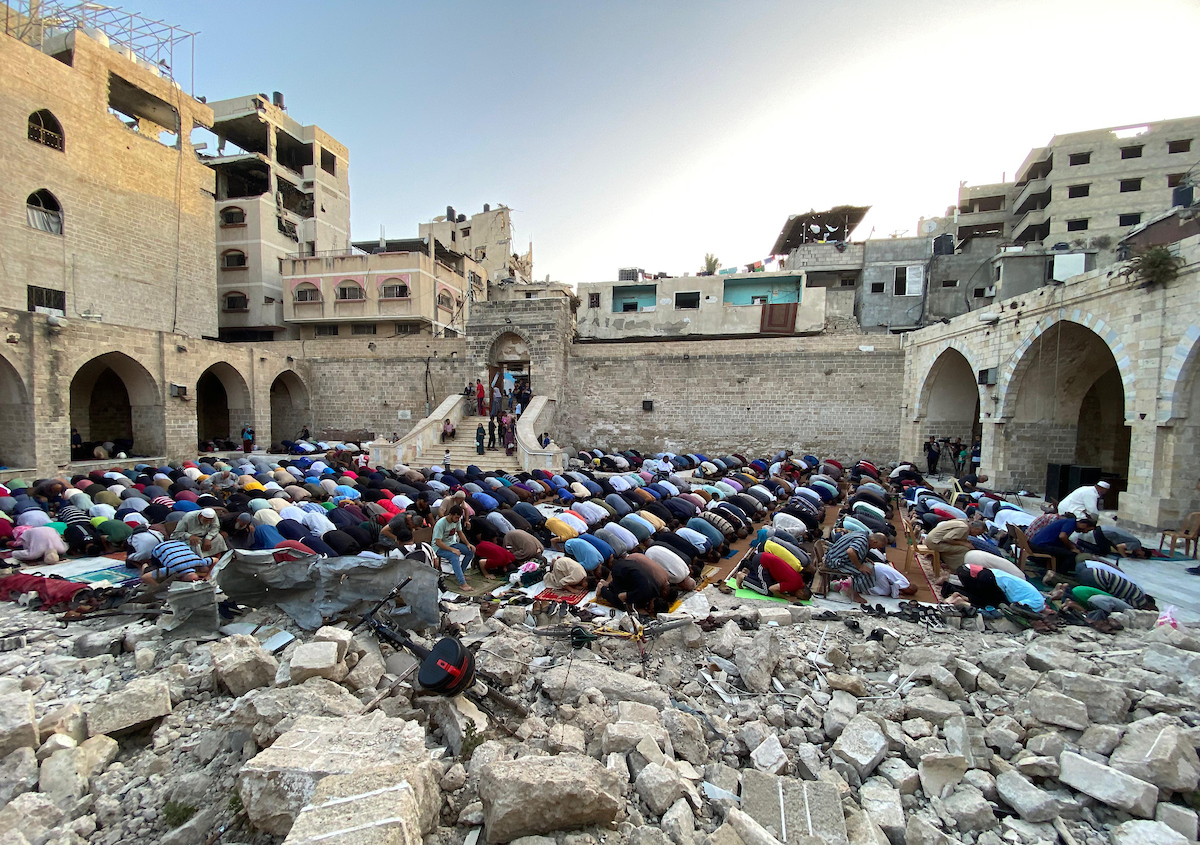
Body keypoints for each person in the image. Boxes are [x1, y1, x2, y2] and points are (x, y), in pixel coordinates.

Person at [824, 531, 889, 603]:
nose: (875, 548)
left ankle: (851, 588)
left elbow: (854, 551)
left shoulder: (862, 534)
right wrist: (859, 566)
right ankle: (853, 592)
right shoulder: (862, 540)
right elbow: (850, 552)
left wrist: (864, 558)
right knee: (867, 572)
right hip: (834, 561)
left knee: (867, 565)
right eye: (877, 546)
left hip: (833, 556)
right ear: (874, 542)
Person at [1030, 513, 1097, 571]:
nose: (1085, 532)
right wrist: (1072, 548)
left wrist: (1073, 546)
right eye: (1088, 530)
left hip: (1035, 544)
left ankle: (1055, 568)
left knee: (1067, 550)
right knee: (1072, 555)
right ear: (1084, 525)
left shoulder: (1068, 522)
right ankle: (1060, 573)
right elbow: (1062, 536)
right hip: (1040, 546)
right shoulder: (1071, 523)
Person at [432, 505, 475, 592]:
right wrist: (452, 550)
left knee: (470, 551)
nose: (457, 519)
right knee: (454, 556)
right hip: (439, 547)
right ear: (451, 515)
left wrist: (468, 544)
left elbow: (460, 533)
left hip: (451, 543)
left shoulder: (457, 521)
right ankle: (462, 583)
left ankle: (461, 573)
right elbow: (438, 542)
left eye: (459, 517)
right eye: (456, 517)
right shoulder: (441, 524)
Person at [142, 539, 211, 586]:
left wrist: (208, 575)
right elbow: (145, 577)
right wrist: (158, 587)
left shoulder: (198, 561)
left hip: (179, 543)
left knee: (205, 569)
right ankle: (144, 566)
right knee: (155, 575)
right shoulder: (171, 569)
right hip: (159, 548)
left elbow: (215, 560)